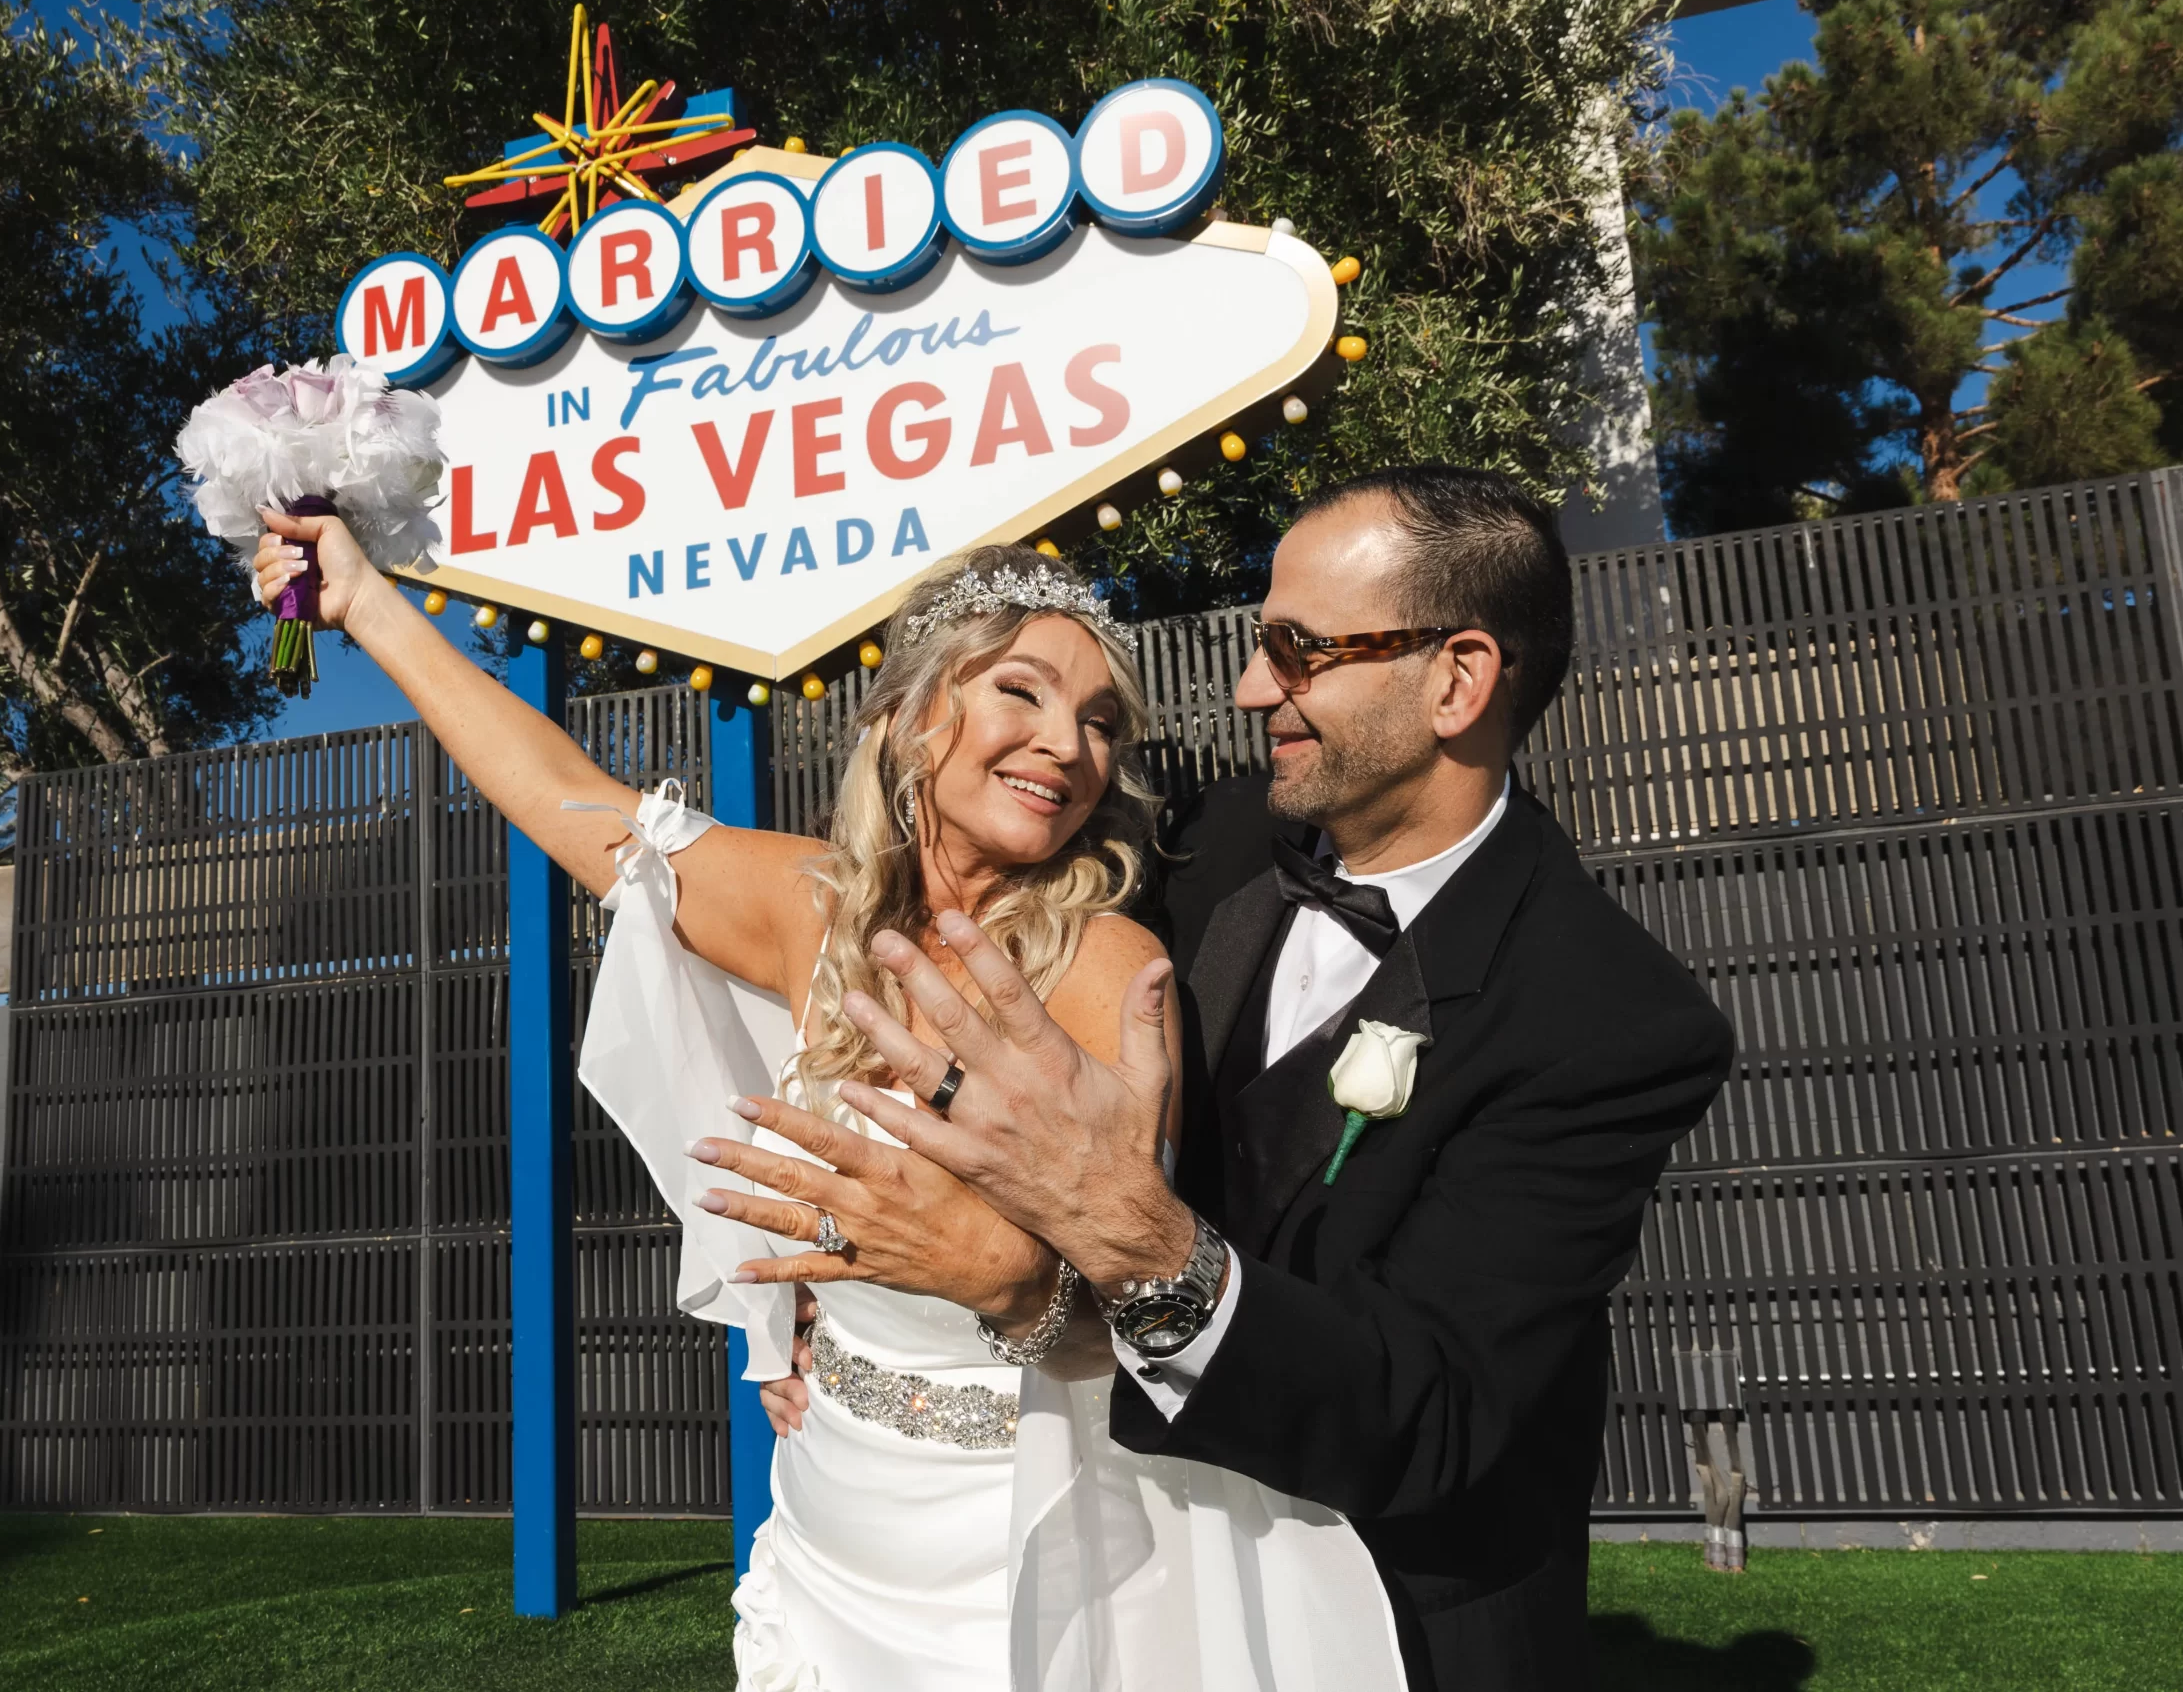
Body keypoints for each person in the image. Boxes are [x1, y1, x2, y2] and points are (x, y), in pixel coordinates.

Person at [247, 518, 1403, 1691]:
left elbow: (1125, 1286)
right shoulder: (816, 912)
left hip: (1020, 1526)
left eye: (1102, 723)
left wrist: (977, 1262)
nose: (1068, 744)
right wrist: (366, 605)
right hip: (831, 1504)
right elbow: (566, 803)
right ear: (905, 717)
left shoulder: (1101, 961)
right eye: (1023, 692)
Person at [709, 467, 1735, 1692]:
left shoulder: (1610, 1017)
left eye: (1297, 650)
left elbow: (1433, 1408)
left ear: (1457, 680)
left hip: (1398, 1611)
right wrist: (894, 1286)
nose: (1253, 688)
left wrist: (1132, 1244)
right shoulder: (1202, 835)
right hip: (1128, 1563)